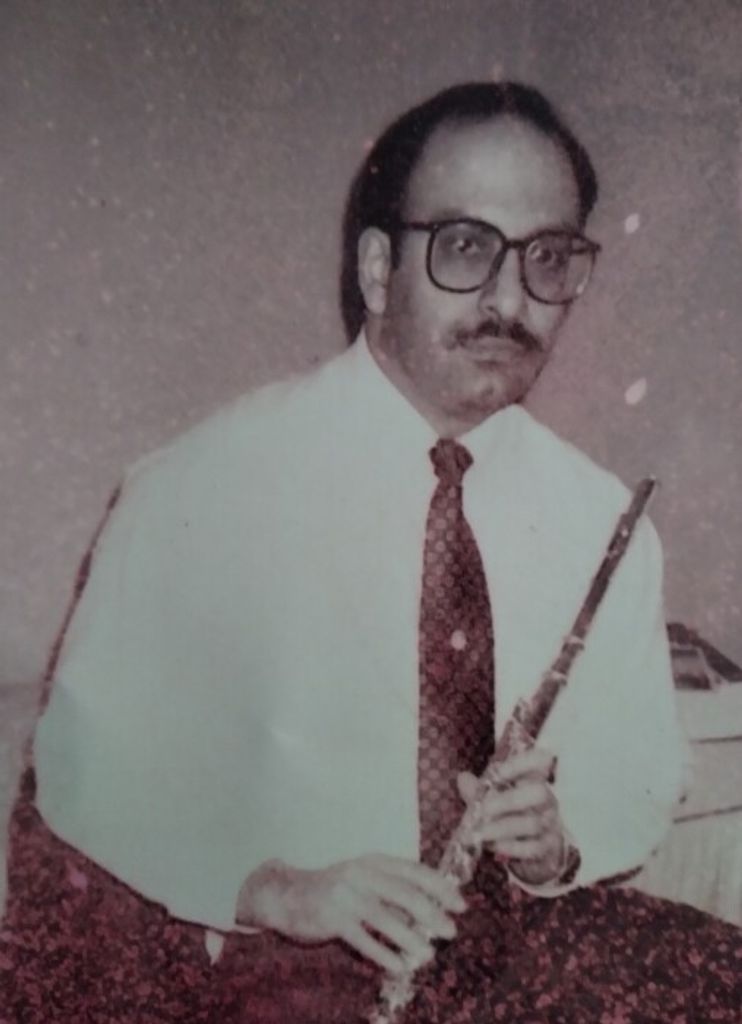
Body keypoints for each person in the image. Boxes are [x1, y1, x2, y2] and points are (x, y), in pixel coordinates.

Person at [2, 81, 741, 1024]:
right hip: (279, 966)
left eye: (548, 258)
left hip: (516, 953)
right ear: (379, 268)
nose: (509, 300)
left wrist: (558, 844)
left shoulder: (601, 515)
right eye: (466, 248)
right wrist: (272, 888)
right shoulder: (204, 486)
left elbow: (639, 776)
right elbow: (84, 770)